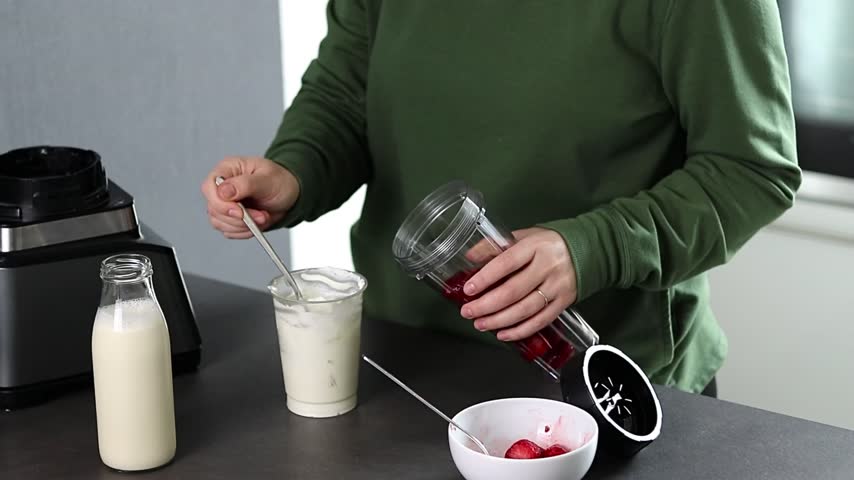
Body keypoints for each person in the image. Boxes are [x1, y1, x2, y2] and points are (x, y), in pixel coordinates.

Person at [202, 0, 801, 396]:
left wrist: (593, 248)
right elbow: (346, 94)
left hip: (600, 375)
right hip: (406, 362)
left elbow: (750, 169)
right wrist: (295, 170)